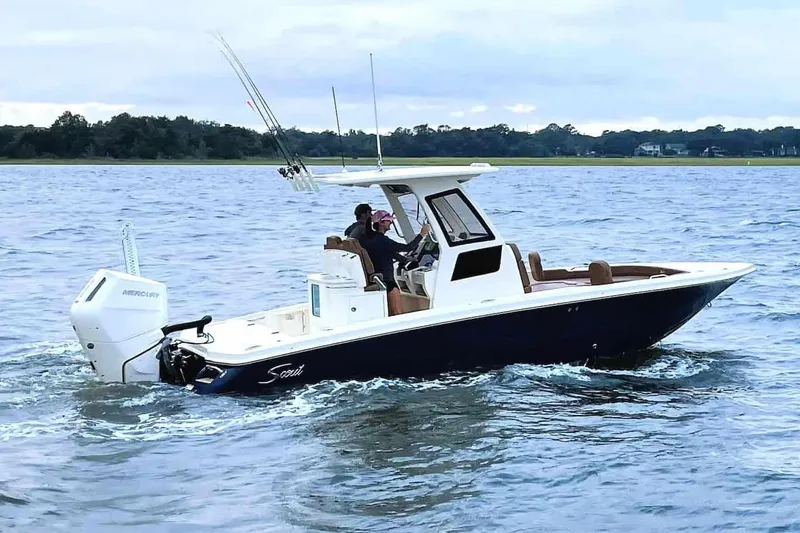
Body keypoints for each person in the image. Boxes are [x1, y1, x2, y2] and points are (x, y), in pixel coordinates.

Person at [359, 210, 430, 316]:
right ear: (381, 223)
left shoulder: (370, 240)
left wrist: (406, 260)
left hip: (379, 277)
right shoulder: (383, 240)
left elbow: (388, 253)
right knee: (397, 313)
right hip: (388, 281)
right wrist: (422, 234)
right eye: (389, 220)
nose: (391, 223)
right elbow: (408, 247)